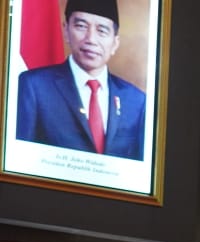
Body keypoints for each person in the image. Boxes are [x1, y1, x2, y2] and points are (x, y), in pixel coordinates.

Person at [14, 0, 148, 161]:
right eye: (81, 26)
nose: (91, 39)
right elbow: (19, 160)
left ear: (115, 43)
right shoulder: (33, 86)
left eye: (102, 30)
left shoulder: (137, 102)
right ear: (66, 31)